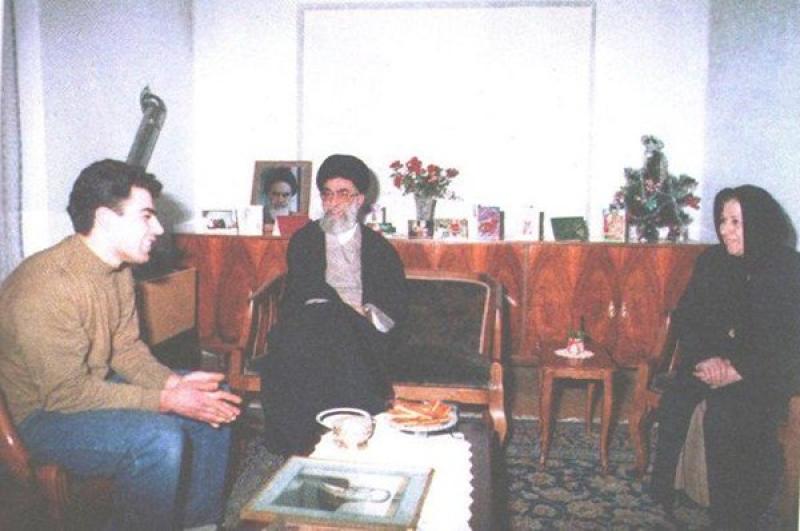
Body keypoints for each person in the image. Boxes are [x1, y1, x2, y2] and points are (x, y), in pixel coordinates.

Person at [0, 159, 242, 530]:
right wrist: (167, 400)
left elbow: (126, 350)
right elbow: (64, 395)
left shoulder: (118, 269)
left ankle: (199, 524)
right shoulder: (47, 287)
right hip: (36, 418)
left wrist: (176, 384)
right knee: (160, 439)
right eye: (146, 216)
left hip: (82, 390)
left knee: (215, 397)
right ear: (105, 219)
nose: (158, 228)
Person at [650, 185, 800, 529]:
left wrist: (739, 369)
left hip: (765, 372)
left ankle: (732, 515)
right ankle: (669, 490)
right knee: (677, 397)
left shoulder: (788, 269)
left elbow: (787, 342)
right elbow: (688, 317)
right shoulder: (712, 261)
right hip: (712, 361)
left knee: (726, 414)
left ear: (759, 224)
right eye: (722, 220)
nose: (725, 230)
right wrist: (707, 359)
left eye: (736, 222)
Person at [255, 154, 408, 455]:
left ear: (359, 199)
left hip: (360, 331)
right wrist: (331, 310)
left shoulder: (379, 249)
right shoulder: (305, 240)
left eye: (343, 194)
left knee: (334, 328)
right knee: (317, 322)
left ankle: (347, 439)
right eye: (327, 194)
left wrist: (361, 314)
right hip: (309, 325)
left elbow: (392, 306)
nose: (333, 203)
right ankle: (301, 448)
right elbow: (300, 294)